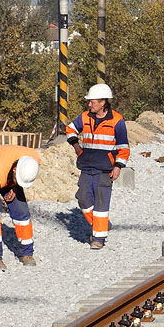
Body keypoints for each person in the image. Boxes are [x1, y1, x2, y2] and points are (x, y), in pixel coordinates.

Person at [66, 83, 130, 249]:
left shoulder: (117, 121)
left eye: (92, 101)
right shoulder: (84, 117)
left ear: (103, 102)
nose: (89, 104)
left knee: (101, 204)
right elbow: (70, 129)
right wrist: (76, 146)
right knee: (83, 199)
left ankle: (98, 239)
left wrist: (117, 167)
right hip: (86, 167)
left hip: (105, 169)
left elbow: (124, 148)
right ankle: (100, 225)